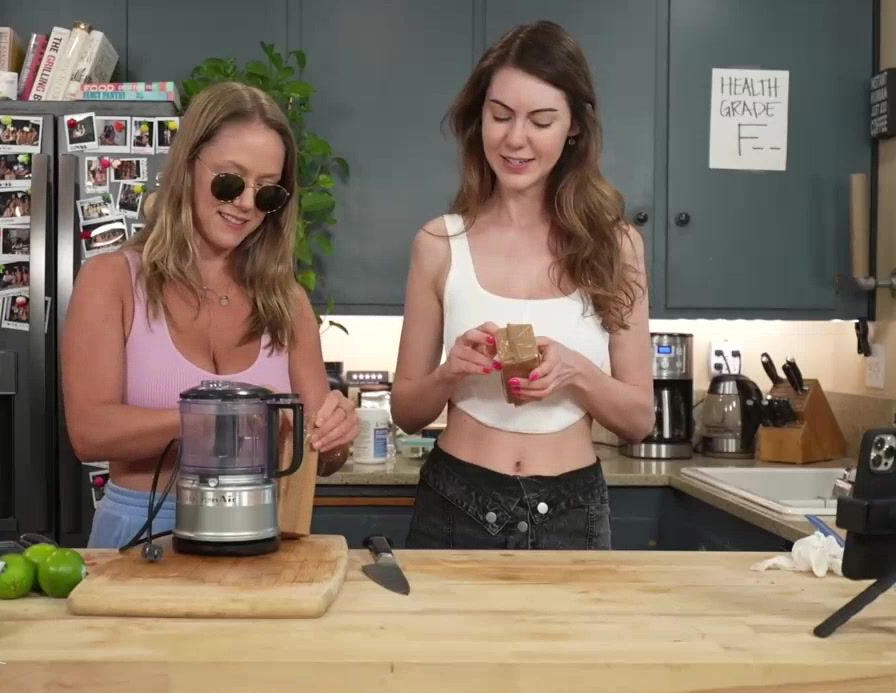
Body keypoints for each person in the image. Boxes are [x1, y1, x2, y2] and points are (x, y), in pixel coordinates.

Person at [390, 21, 655, 551]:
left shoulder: (616, 245)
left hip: (573, 513)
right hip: (456, 504)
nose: (515, 139)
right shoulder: (440, 243)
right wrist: (450, 373)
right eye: (500, 115)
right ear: (479, 118)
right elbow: (407, 412)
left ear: (573, 127)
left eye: (541, 120)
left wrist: (575, 371)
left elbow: (639, 420)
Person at [61, 81, 359, 550]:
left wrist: (337, 433)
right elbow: (90, 433)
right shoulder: (112, 281)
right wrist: (225, 418)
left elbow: (320, 455)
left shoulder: (287, 302)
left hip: (258, 535)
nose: (246, 204)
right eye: (230, 181)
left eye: (267, 192)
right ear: (187, 166)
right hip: (138, 538)